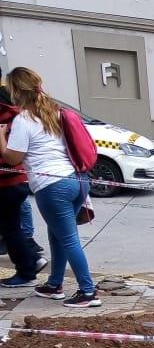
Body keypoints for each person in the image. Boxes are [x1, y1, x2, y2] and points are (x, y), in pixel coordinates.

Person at [0, 67, 101, 307]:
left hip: (51, 186)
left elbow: (13, 158)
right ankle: (54, 284)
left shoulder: (23, 120)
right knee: (57, 235)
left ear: (15, 91)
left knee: (68, 239)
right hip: (76, 180)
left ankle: (88, 292)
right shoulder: (54, 112)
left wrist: (1, 137)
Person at [0, 71, 47, 287]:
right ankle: (32, 260)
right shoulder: (17, 114)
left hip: (7, 181)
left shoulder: (13, 119)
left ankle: (27, 270)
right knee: (12, 227)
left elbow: (9, 156)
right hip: (19, 180)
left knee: (10, 229)